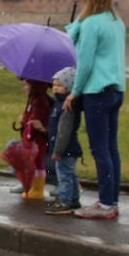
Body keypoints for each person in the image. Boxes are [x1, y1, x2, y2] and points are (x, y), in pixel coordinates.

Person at [65, 0, 126, 219]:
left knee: (99, 149)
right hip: (115, 90)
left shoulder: (91, 25)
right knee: (111, 148)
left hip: (95, 92)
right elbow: (71, 37)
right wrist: (80, 19)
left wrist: (74, 92)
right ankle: (112, 200)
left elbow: (84, 63)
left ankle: (104, 204)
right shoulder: (115, 20)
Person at [45, 66, 84, 215]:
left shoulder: (66, 106)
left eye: (59, 85)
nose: (55, 88)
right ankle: (73, 199)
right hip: (67, 148)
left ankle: (65, 201)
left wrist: (57, 151)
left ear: (69, 86)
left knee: (65, 176)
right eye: (54, 85)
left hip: (66, 148)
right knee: (70, 174)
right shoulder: (58, 103)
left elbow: (64, 132)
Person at [6, 79, 51, 200]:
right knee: (13, 148)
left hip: (38, 141)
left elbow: (35, 122)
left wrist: (28, 122)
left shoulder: (41, 101)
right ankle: (28, 184)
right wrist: (24, 119)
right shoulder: (34, 100)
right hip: (34, 139)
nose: (24, 87)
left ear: (34, 86)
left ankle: (37, 189)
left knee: (36, 163)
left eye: (27, 85)